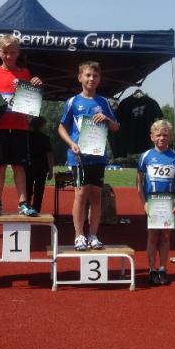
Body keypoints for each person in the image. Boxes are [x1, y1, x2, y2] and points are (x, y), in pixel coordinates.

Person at [58, 61, 119, 250]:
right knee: (80, 194)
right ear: (80, 78)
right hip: (78, 156)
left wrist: (107, 119)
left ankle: (93, 235)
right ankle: (79, 236)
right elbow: (61, 127)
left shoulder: (104, 102)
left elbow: (116, 127)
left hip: (98, 156)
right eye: (88, 75)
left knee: (96, 196)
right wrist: (71, 143)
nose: (91, 78)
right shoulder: (73, 102)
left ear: (99, 79)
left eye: (95, 76)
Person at [0, 35, 43, 217]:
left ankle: (23, 203)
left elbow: (32, 97)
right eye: (6, 52)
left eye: (13, 52)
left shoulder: (25, 73)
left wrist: (36, 84)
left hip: (20, 127)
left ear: (18, 53)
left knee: (19, 166)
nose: (9, 56)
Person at [137, 119, 175, 286]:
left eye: (165, 135)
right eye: (158, 135)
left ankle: (163, 269)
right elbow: (139, 182)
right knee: (152, 237)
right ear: (152, 137)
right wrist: (144, 203)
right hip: (152, 202)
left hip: (167, 202)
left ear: (169, 137)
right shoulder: (146, 156)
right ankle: (152, 269)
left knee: (165, 237)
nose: (162, 138)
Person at [26, 116, 54, 214]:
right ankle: (36, 210)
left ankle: (26, 208)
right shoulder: (45, 138)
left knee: (27, 190)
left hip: (28, 167)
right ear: (40, 126)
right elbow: (49, 155)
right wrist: (51, 170)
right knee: (39, 191)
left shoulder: (26, 137)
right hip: (41, 168)